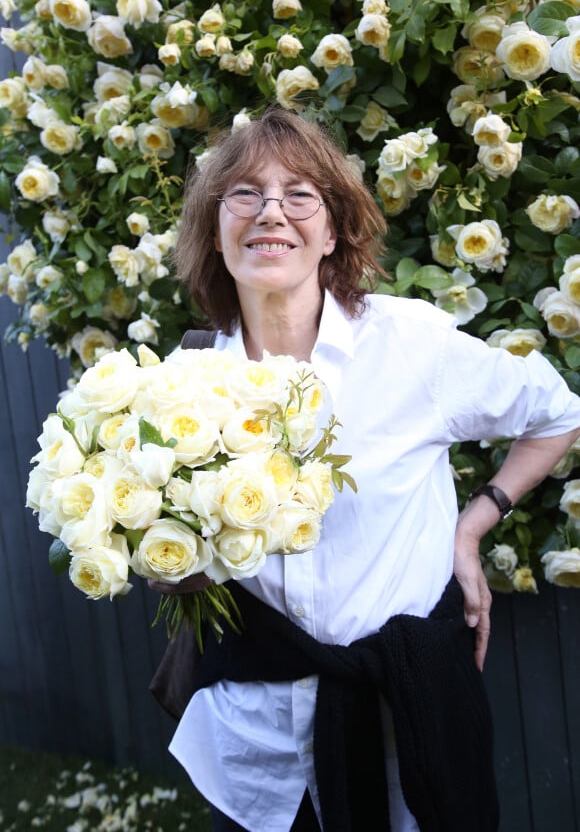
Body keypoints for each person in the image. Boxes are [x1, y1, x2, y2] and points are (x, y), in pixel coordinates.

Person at [150, 107, 580, 832]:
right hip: (260, 744)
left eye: (299, 195)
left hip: (408, 728)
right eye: (245, 194)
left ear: (333, 228)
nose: (271, 213)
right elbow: (162, 556)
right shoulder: (184, 382)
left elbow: (559, 413)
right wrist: (173, 564)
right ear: (214, 227)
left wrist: (474, 524)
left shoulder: (409, 344)